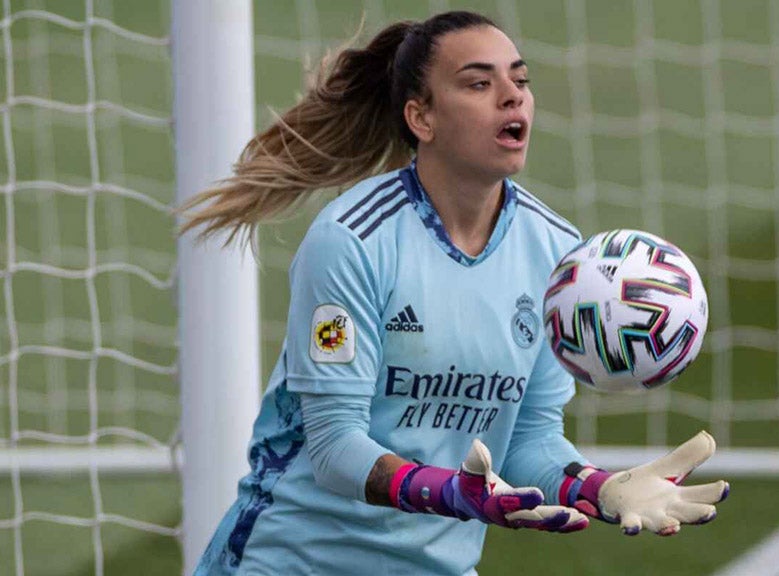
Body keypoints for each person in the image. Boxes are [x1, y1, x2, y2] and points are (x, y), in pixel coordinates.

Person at [180, 10, 730, 575]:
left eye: (520, 79)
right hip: (294, 563)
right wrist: (457, 494)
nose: (512, 97)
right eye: (479, 83)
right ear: (421, 116)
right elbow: (333, 449)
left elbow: (530, 437)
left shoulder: (560, 258)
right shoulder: (353, 241)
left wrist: (599, 489)